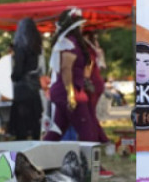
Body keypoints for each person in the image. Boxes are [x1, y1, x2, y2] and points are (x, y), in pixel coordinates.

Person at [43, 9, 106, 143]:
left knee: (56, 132)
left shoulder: (68, 42)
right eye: (80, 24)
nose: (83, 26)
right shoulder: (70, 42)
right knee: (88, 132)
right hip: (69, 91)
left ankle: (35, 157)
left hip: (64, 91)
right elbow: (66, 68)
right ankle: (91, 164)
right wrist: (70, 92)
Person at [8, 18, 43, 141]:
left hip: (22, 88)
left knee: (21, 122)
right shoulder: (36, 47)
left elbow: (19, 69)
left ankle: (21, 146)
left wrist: (13, 76)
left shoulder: (20, 48)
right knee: (34, 120)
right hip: (34, 85)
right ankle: (36, 142)